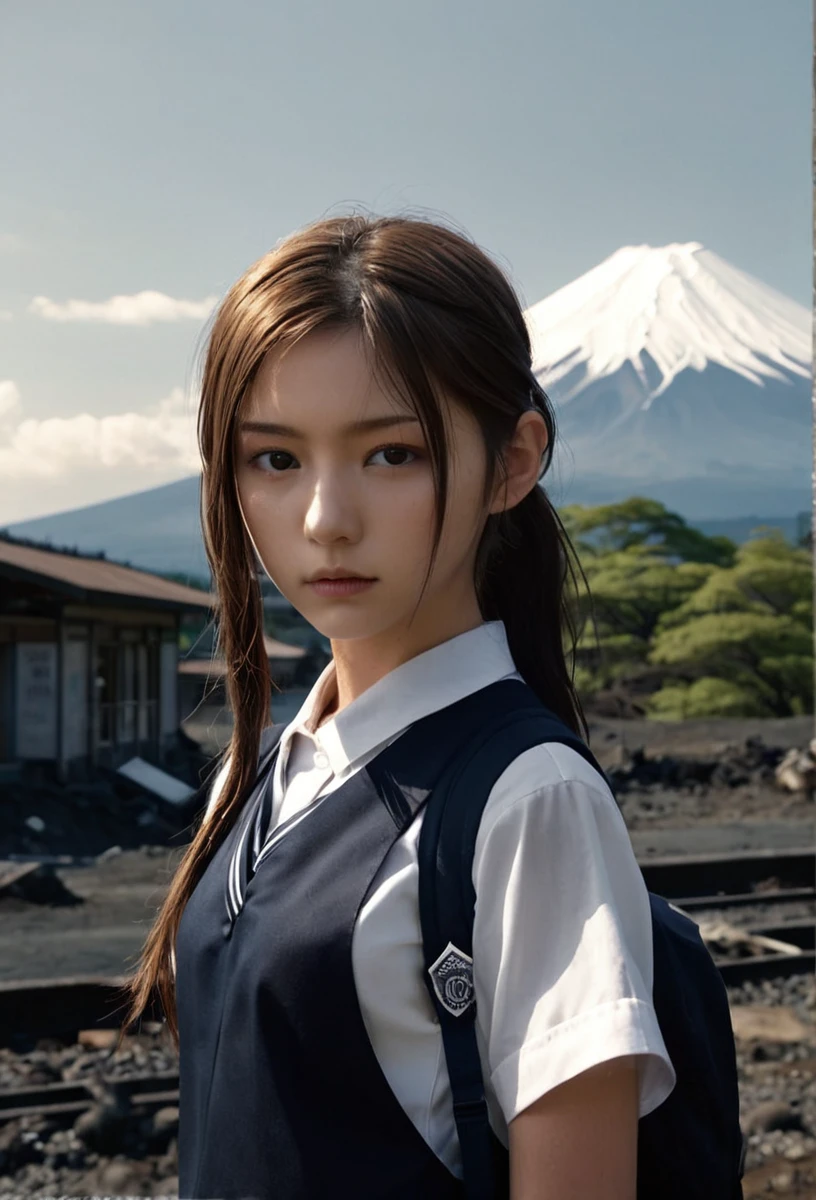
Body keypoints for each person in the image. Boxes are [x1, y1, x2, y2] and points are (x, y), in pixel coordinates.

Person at [122, 212, 676, 1199]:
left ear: (513, 462)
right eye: (276, 460)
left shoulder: (528, 799)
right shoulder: (266, 774)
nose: (326, 520)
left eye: (393, 455)